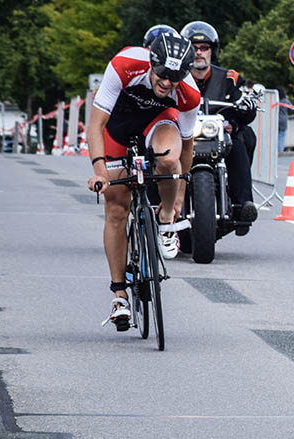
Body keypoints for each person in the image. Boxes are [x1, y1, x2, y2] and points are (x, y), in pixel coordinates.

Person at [87, 33, 199, 329]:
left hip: (158, 121)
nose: (166, 83)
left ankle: (163, 219)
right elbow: (96, 125)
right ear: (152, 63)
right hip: (118, 126)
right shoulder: (125, 64)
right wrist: (100, 170)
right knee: (116, 209)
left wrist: (177, 201)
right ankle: (119, 295)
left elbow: (187, 147)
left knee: (166, 159)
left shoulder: (189, 93)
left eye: (174, 78)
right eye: (162, 75)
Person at [181, 21, 258, 233]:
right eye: (193, 48)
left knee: (243, 138)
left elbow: (243, 107)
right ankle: (154, 201)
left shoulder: (228, 78)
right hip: (182, 135)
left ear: (212, 52)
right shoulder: (175, 78)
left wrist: (235, 120)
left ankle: (242, 204)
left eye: (204, 48)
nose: (199, 53)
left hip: (217, 137)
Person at [276, 85, 291, 153]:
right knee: (281, 136)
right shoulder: (286, 101)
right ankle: (280, 151)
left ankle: (276, 150)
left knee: (275, 136)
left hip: (276, 120)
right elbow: (291, 108)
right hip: (284, 120)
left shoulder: (275, 101)